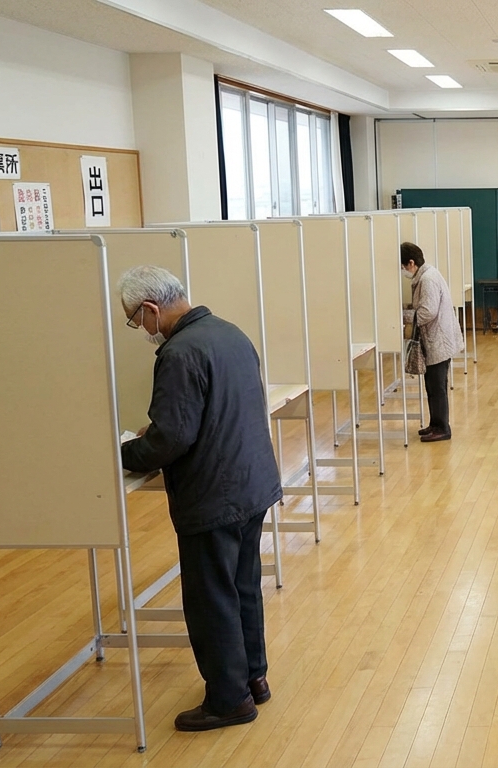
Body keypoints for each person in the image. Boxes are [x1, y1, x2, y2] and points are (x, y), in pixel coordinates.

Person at [117, 265, 281, 732]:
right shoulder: (229, 332)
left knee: (211, 598)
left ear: (151, 309)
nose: (141, 330)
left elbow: (171, 439)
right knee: (243, 584)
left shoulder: (178, 352)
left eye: (136, 320)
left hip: (214, 493)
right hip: (252, 482)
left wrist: (125, 451)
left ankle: (228, 700)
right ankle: (254, 678)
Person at [402, 242, 464, 442]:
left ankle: (442, 428)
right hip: (438, 338)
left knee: (437, 387)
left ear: (411, 263)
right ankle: (435, 424)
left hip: (438, 340)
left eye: (403, 266)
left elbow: (428, 311)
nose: (403, 271)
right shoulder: (428, 274)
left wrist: (404, 316)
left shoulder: (427, 279)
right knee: (432, 385)